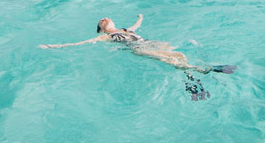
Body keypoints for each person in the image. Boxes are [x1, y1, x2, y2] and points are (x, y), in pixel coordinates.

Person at [41, 15, 236, 100]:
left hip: (149, 42)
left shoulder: (125, 29)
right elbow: (80, 44)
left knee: (179, 55)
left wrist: (140, 17)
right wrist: (53, 46)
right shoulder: (105, 37)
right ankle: (204, 71)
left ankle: (192, 76)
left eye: (106, 18)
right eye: (101, 21)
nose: (105, 18)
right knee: (172, 60)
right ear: (101, 28)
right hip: (138, 48)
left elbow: (136, 26)